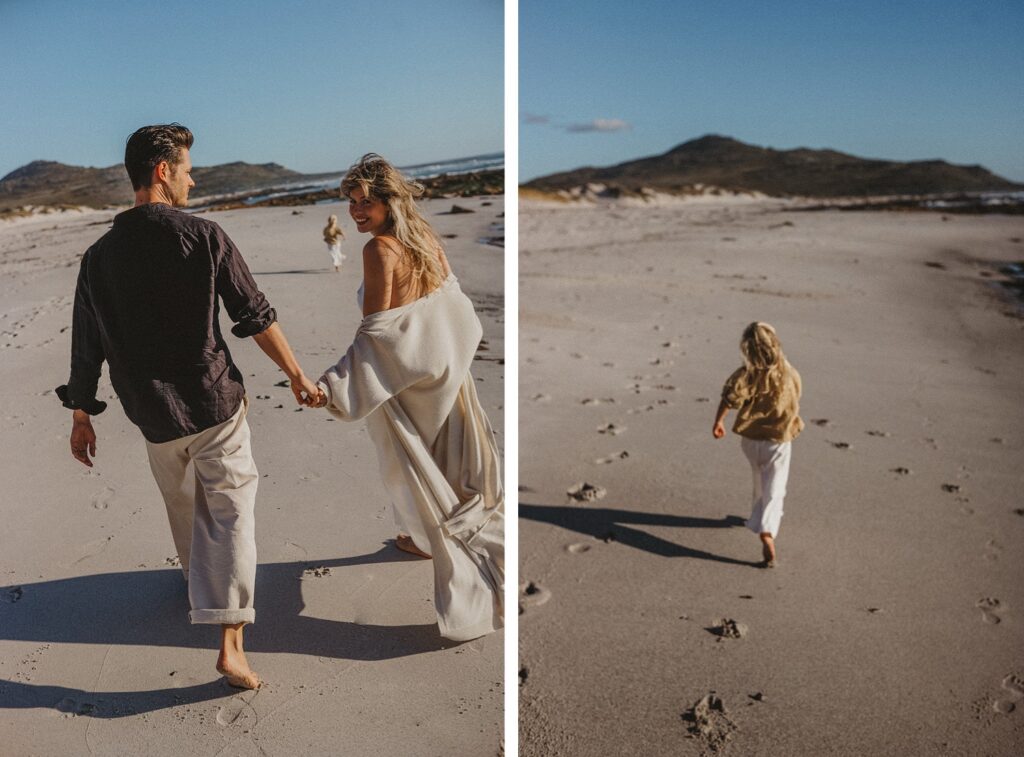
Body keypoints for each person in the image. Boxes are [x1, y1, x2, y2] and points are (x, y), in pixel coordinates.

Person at [57, 123, 320, 689]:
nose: (192, 179)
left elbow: (87, 343)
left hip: (151, 416)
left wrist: (81, 414)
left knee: (183, 509)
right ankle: (230, 642)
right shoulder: (204, 236)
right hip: (213, 403)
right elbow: (255, 316)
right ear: (162, 172)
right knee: (229, 515)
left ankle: (196, 583)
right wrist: (296, 375)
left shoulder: (97, 258)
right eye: (186, 169)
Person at [312, 153, 504, 641]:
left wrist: (332, 387)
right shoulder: (427, 240)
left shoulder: (380, 251)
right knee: (449, 471)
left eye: (365, 202)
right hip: (446, 379)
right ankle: (422, 541)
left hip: (405, 385)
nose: (356, 211)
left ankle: (467, 582)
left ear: (387, 199)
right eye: (351, 202)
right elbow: (454, 311)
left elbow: (377, 337)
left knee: (413, 470)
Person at [712, 322, 803, 568]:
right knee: (776, 488)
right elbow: (796, 399)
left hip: (751, 441)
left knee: (759, 479)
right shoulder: (789, 373)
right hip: (777, 441)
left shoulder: (746, 373)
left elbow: (729, 397)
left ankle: (756, 518)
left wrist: (718, 421)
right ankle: (767, 531)